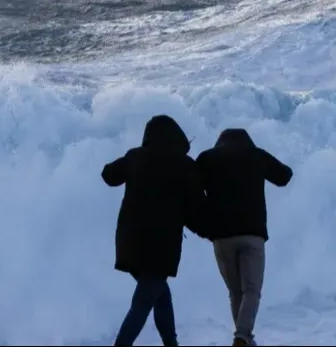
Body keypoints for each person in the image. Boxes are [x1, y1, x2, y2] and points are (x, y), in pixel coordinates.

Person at [101, 114, 209, 346]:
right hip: (161, 245)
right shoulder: (184, 164)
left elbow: (109, 175)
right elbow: (196, 210)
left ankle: (171, 344)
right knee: (143, 303)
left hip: (129, 241)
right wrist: (214, 231)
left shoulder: (135, 156)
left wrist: (131, 165)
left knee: (159, 294)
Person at [196, 128, 293, 346]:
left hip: (221, 236)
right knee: (252, 290)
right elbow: (284, 176)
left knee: (235, 291)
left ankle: (244, 337)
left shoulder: (208, 159)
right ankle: (242, 336)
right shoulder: (256, 155)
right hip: (252, 234)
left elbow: (191, 187)